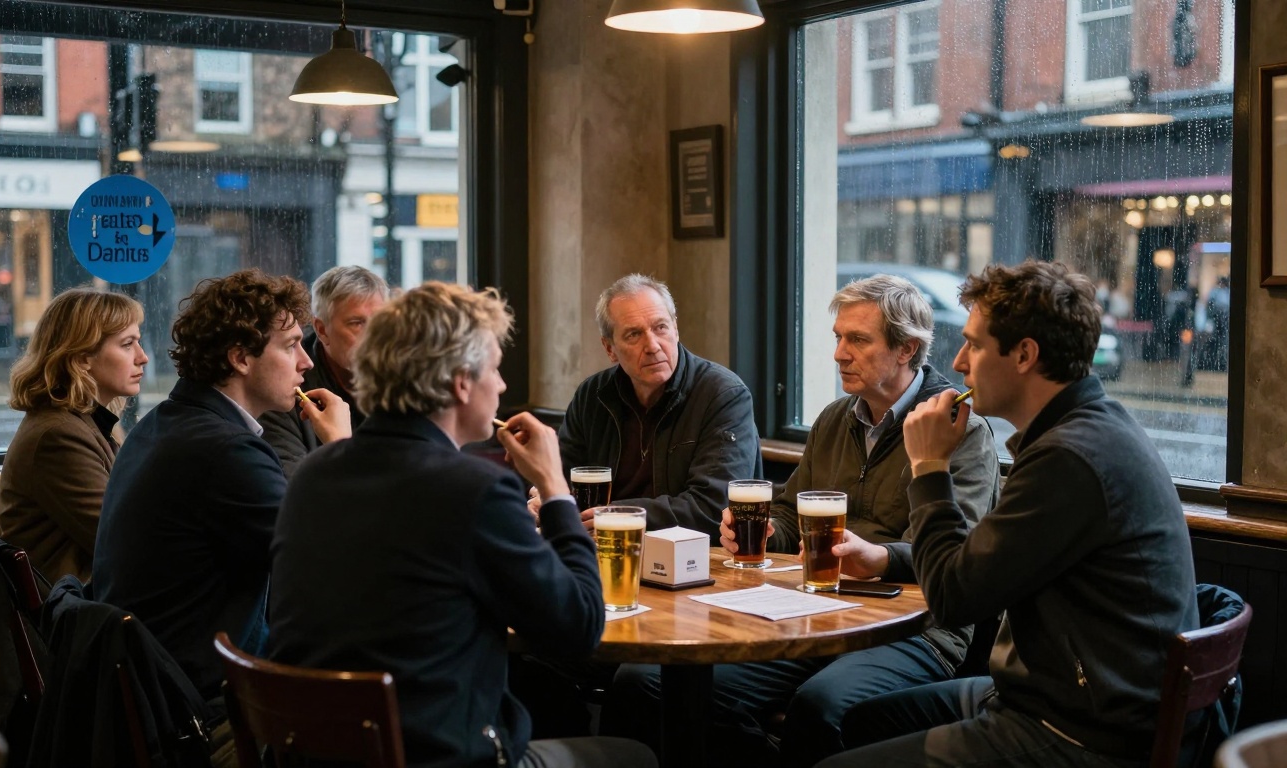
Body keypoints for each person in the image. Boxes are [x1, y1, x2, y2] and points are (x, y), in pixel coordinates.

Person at [600, 274, 1000, 766]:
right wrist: (770, 531)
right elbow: (790, 511)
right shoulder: (834, 418)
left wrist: (876, 558)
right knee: (645, 683)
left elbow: (952, 554)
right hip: (817, 614)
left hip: (914, 630)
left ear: (906, 349)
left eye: (857, 340)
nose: (838, 354)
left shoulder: (961, 431)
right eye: (837, 338)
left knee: (821, 706)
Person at [267, 282, 657, 768]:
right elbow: (579, 627)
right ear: (460, 383)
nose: (503, 386)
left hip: (314, 754)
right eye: (494, 368)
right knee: (634, 756)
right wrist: (555, 487)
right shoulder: (474, 490)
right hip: (435, 757)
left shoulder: (313, 476)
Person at [825, 261, 1198, 767]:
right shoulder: (1085, 430)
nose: (958, 362)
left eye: (975, 344)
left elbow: (954, 597)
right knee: (859, 721)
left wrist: (929, 466)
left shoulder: (1071, 458)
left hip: (1081, 731)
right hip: (1049, 694)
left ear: (1025, 355)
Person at [92, 269, 349, 764]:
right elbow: (331, 564)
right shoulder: (225, 451)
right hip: (203, 719)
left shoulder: (166, 423)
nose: (305, 362)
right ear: (240, 358)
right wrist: (343, 449)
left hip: (158, 698)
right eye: (292, 345)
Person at [554, 273, 762, 538]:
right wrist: (549, 499)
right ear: (609, 348)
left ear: (676, 328)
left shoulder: (723, 395)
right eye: (633, 335)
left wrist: (619, 516)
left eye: (660, 327)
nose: (652, 345)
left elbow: (712, 507)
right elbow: (561, 479)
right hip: (604, 550)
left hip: (696, 561)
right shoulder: (592, 396)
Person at [0, 288, 147, 584]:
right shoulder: (58, 436)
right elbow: (126, 541)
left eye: (138, 343)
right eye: (127, 345)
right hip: (68, 618)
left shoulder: (83, 422)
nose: (142, 358)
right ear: (81, 358)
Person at [259, 265, 389, 476]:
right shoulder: (285, 388)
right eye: (357, 323)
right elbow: (294, 488)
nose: (374, 337)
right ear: (321, 329)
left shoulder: (405, 383)